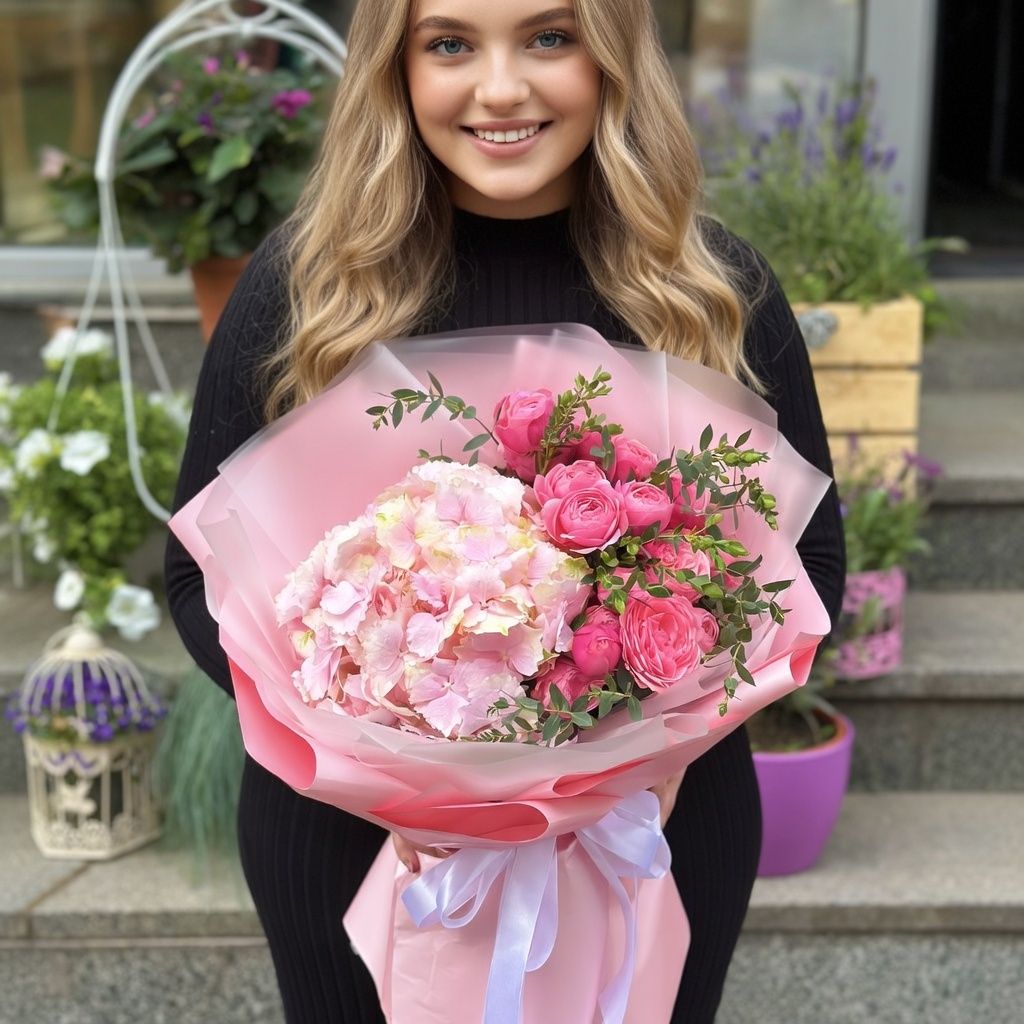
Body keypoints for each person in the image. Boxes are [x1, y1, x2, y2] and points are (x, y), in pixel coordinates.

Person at [165, 1, 845, 1021]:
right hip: (359, 845)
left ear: (611, 54)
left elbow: (811, 571)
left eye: (548, 37)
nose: (498, 89)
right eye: (449, 44)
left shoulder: (711, 289)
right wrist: (384, 749)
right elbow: (195, 580)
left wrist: (641, 752)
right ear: (395, 67)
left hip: (651, 833)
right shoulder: (306, 286)